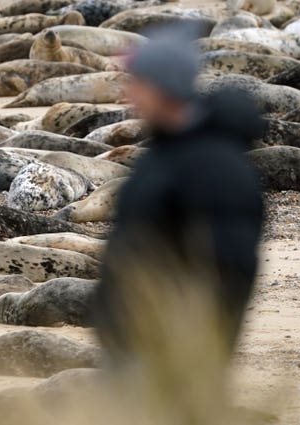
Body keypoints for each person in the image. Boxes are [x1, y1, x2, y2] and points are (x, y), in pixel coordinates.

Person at [92, 28, 265, 367]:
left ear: (162, 86)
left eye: (137, 82)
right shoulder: (162, 154)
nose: (129, 94)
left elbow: (232, 269)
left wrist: (196, 350)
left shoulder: (216, 167)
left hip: (172, 357)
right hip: (132, 350)